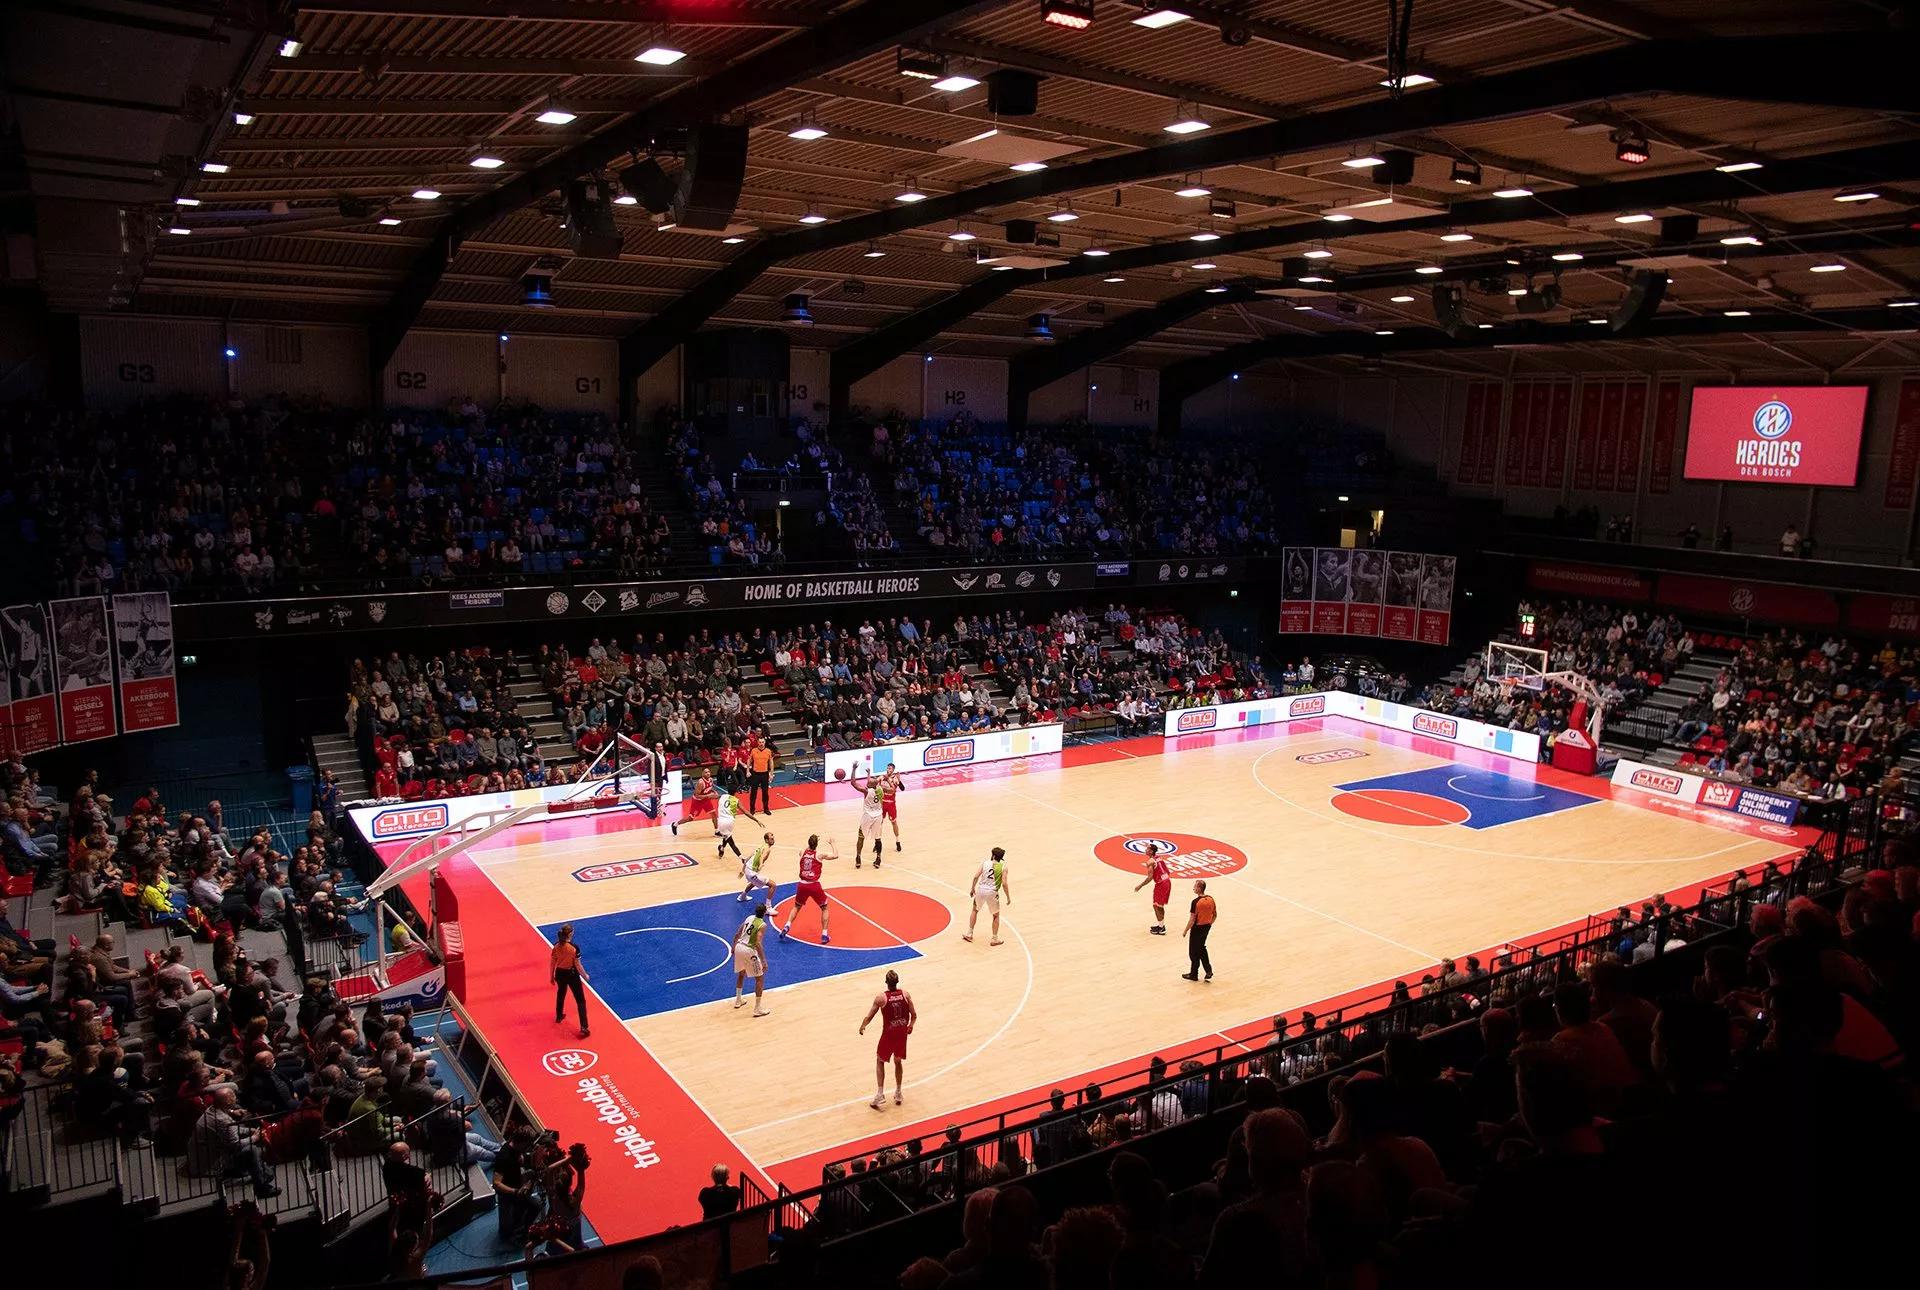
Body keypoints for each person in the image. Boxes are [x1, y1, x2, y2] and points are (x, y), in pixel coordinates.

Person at [860, 968, 917, 1109]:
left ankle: (880, 1094)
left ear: (886, 982)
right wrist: (911, 1025)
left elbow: (870, 1015)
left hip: (889, 1034)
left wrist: (863, 1025)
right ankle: (898, 1092)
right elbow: (914, 1015)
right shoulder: (905, 995)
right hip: (901, 1033)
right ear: (897, 982)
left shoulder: (881, 998)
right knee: (898, 1061)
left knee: (880, 1060)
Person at [781, 833, 838, 943]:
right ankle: (824, 934)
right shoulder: (819, 855)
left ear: (808, 843)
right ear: (817, 844)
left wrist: (811, 842)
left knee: (796, 906)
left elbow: (806, 850)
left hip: (802, 884)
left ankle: (787, 925)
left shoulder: (802, 852)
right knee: (824, 908)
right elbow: (835, 855)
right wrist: (833, 843)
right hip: (813, 884)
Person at [963, 847, 1011, 946]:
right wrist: (1008, 897)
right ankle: (994, 939)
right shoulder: (1003, 867)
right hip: (992, 892)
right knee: (996, 915)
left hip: (981, 890)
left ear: (993, 855)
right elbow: (1004, 883)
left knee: (975, 910)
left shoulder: (985, 863)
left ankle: (969, 933)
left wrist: (972, 888)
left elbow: (976, 876)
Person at [732, 902, 773, 1017]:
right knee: (759, 978)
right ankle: (757, 1008)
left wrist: (733, 945)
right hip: (749, 950)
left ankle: (738, 1000)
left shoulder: (749, 917)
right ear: (764, 913)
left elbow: (738, 933)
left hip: (739, 946)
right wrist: (763, 960)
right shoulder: (762, 925)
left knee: (741, 973)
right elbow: (758, 943)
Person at [551, 923, 589, 1038]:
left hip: (559, 973)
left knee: (561, 993)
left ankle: (558, 1015)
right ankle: (584, 1026)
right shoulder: (573, 948)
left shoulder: (556, 946)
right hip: (571, 974)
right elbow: (577, 964)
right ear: (571, 934)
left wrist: (551, 976)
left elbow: (552, 962)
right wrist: (585, 975)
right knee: (580, 1000)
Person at [709, 785, 760, 864]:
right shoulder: (736, 800)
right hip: (731, 822)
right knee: (727, 836)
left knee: (731, 842)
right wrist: (756, 820)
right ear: (735, 792)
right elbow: (745, 812)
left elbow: (712, 796)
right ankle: (722, 848)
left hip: (722, 822)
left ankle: (742, 858)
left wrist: (705, 796)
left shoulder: (722, 796)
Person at [851, 760, 887, 868]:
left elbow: (853, 782)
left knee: (861, 837)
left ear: (869, 785)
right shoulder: (880, 789)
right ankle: (878, 858)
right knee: (878, 838)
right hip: (878, 815)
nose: (867, 782)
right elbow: (872, 782)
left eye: (868, 781)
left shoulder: (866, 791)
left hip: (868, 816)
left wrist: (853, 769)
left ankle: (858, 857)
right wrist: (868, 774)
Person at [1133, 841, 1173, 936]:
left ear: (1151, 851)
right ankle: (1161, 925)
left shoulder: (1150, 862)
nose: (1145, 850)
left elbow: (1150, 877)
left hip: (1161, 884)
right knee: (1160, 905)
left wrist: (1140, 885)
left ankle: (1161, 927)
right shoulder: (1159, 858)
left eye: (1147, 849)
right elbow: (1167, 871)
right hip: (1167, 881)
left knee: (1156, 905)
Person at [1182, 880, 1217, 982]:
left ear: (1199, 888)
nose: (1193, 888)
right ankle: (1208, 970)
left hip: (1197, 928)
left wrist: (1185, 930)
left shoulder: (1195, 902)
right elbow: (1215, 914)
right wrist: (1210, 924)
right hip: (1206, 927)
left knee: (1193, 952)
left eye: (1195, 886)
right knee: (1201, 948)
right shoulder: (1211, 899)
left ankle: (1194, 974)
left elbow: (1192, 919)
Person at [672, 767, 720, 837]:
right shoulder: (701, 783)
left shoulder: (711, 780)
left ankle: (717, 831)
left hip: (706, 800)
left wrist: (714, 793)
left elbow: (709, 789)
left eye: (709, 771)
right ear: (702, 774)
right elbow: (697, 795)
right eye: (706, 772)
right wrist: (709, 796)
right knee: (690, 818)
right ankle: (675, 824)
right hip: (697, 802)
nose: (708, 773)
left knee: (714, 814)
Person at [740, 830, 777, 904]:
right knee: (773, 885)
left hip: (748, 870)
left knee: (754, 882)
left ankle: (742, 896)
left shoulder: (761, 846)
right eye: (771, 839)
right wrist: (760, 864)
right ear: (766, 840)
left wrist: (743, 870)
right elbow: (762, 857)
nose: (773, 840)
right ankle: (768, 907)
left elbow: (748, 858)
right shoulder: (767, 848)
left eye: (773, 838)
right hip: (751, 872)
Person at [879, 764, 905, 853]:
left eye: (889, 768)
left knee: (894, 823)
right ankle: (877, 843)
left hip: (891, 804)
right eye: (887, 768)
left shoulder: (895, 778)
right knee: (879, 823)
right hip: (882, 803)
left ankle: (898, 841)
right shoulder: (882, 777)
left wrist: (900, 781)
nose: (887, 769)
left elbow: (903, 788)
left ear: (893, 770)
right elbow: (873, 783)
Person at [746, 737, 775, 815]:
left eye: (762, 742)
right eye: (760, 742)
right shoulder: (754, 750)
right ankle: (752, 809)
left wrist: (771, 773)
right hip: (755, 774)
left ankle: (766, 809)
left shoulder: (768, 751)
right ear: (757, 743)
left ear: (764, 742)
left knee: (765, 793)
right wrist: (748, 770)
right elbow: (749, 760)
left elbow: (771, 762)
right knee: (753, 793)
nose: (761, 743)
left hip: (764, 774)